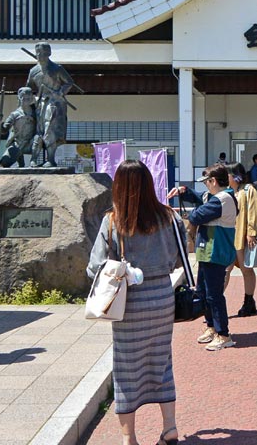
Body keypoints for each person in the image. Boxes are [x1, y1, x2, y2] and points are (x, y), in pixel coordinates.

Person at [86, 160, 183, 445]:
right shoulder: (168, 217)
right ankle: (170, 427)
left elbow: (96, 267)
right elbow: (179, 258)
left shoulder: (114, 221)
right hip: (163, 297)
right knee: (162, 362)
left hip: (129, 302)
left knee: (127, 368)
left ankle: (129, 438)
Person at [170, 164, 238, 350]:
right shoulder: (214, 197)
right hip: (207, 251)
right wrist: (185, 192)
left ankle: (223, 334)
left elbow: (197, 216)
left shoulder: (223, 199)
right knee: (203, 291)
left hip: (216, 251)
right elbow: (200, 198)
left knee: (214, 294)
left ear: (213, 181)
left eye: (207, 182)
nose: (205, 186)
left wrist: (188, 213)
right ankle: (211, 327)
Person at [26, 41, 75, 167]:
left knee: (50, 130)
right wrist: (31, 99)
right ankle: (34, 159)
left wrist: (60, 92)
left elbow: (69, 82)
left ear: (49, 53)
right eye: (38, 53)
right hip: (41, 103)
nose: (40, 55)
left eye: (43, 53)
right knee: (39, 130)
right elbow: (29, 88)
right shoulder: (33, 71)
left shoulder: (56, 69)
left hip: (55, 104)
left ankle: (51, 159)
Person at [225, 163, 257, 317]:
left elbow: (253, 211)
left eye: (227, 174)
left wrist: (251, 232)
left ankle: (249, 301)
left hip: (242, 236)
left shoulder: (248, 190)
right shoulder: (227, 191)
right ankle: (213, 303)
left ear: (235, 176)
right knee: (225, 270)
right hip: (227, 237)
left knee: (246, 269)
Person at [0, 87, 37, 168]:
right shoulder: (14, 114)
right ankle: (20, 161)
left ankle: (34, 160)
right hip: (18, 143)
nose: (26, 100)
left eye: (29, 98)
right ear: (19, 98)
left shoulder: (36, 112)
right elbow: (4, 130)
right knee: (3, 164)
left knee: (38, 138)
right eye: (24, 98)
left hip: (31, 143)